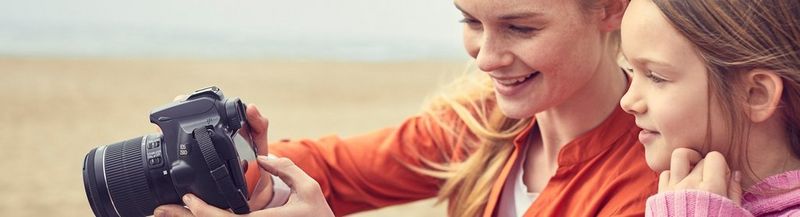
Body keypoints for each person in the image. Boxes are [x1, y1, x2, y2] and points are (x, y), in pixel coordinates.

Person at [156, 0, 658, 216]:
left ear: (612, 8)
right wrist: (243, 172)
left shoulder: (654, 180)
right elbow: (339, 169)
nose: (485, 57)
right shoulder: (483, 122)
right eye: (471, 21)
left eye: (521, 28)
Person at [619, 0, 800, 216]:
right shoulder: (678, 194)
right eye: (630, 70)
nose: (627, 101)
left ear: (755, 94)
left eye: (656, 77)